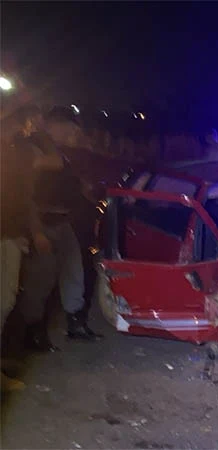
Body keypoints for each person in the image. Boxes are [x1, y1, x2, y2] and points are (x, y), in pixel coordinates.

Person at [16, 109, 101, 350]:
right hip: (42, 222)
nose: (74, 133)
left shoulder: (61, 152)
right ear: (55, 125)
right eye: (70, 128)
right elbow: (27, 195)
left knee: (73, 273)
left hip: (62, 222)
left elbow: (72, 186)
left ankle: (75, 324)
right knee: (39, 281)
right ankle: (32, 334)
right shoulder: (36, 150)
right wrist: (36, 232)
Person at [0, 104, 46, 391]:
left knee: (6, 300)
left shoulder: (12, 150)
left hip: (9, 234)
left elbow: (19, 197)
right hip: (5, 236)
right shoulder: (7, 152)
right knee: (3, 300)